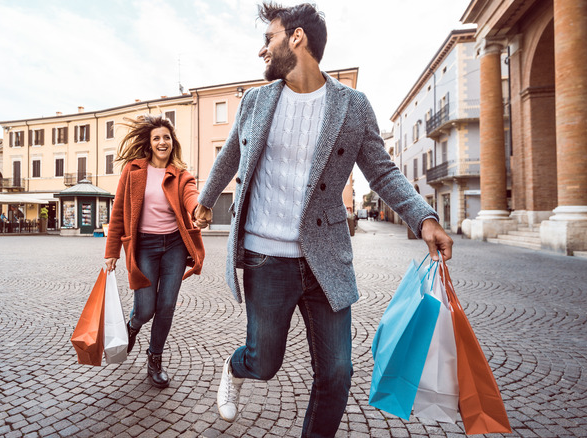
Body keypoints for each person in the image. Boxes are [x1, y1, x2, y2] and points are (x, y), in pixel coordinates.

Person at [193, 3, 454, 437]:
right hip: (265, 257)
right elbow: (231, 154)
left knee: (337, 373)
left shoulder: (352, 106)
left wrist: (423, 218)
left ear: (297, 38)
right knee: (264, 361)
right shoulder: (255, 102)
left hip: (325, 258)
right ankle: (236, 368)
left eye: (268, 38)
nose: (262, 51)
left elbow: (382, 170)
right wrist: (205, 200)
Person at [104, 114, 205, 388]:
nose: (162, 142)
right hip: (145, 246)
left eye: (167, 137)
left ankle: (155, 358)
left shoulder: (181, 174)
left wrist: (198, 209)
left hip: (173, 246)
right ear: (149, 143)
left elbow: (190, 196)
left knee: (167, 306)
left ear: (173, 143)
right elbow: (119, 214)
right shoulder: (133, 170)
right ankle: (133, 326)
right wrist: (111, 251)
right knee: (146, 308)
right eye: (157, 137)